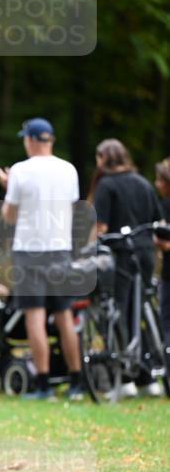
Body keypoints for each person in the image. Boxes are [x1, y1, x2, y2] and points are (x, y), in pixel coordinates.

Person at [0, 117, 84, 401]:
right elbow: (71, 207)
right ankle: (76, 382)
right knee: (64, 316)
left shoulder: (21, 171)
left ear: (32, 140)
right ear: (51, 140)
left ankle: (44, 383)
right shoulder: (68, 169)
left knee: (35, 316)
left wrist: (8, 186)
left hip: (28, 250)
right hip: (60, 248)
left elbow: (9, 215)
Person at [89, 138, 163, 397]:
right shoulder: (142, 183)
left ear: (102, 159)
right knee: (140, 310)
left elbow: (101, 228)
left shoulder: (106, 185)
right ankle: (146, 375)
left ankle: (124, 377)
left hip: (118, 255)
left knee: (115, 312)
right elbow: (158, 222)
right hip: (145, 253)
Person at [154, 158, 170, 354]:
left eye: (160, 180)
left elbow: (162, 240)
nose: (156, 184)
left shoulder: (165, 204)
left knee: (166, 321)